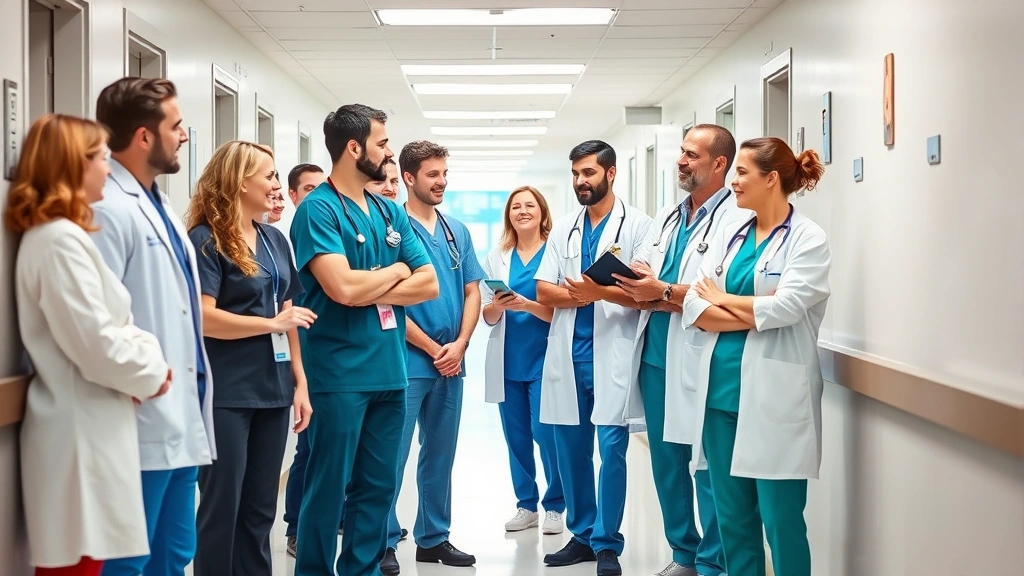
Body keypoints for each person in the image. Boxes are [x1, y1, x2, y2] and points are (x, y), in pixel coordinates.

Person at [5, 114, 172, 576]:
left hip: (91, 422)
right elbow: (97, 343)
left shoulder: (65, 236)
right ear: (71, 165)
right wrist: (155, 371)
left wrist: (146, 356)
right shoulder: (58, 241)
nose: (108, 168)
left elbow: (118, 328)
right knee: (77, 566)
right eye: (100, 158)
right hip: (78, 431)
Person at [291, 104, 438, 576]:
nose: (389, 152)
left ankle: (361, 570)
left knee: (377, 486)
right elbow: (343, 290)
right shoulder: (318, 210)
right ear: (354, 148)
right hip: (339, 373)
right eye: (382, 143)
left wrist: (373, 278)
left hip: (389, 371)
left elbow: (429, 282)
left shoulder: (387, 209)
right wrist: (397, 270)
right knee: (329, 486)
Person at [682, 137, 830, 576]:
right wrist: (746, 311)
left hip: (774, 400)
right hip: (720, 399)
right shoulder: (732, 233)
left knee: (781, 523)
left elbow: (788, 308)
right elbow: (695, 305)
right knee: (733, 522)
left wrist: (723, 299)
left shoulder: (807, 238)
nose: (734, 181)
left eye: (742, 172)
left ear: (771, 180)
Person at [90, 78, 216, 576]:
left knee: (173, 557)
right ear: (144, 137)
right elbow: (96, 322)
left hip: (180, 419)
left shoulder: (158, 203)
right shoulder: (107, 208)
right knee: (128, 563)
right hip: (136, 423)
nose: (184, 135)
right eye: (176, 126)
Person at [616, 125, 749, 576]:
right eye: (681, 152)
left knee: (706, 461)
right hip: (656, 351)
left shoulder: (737, 219)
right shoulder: (671, 215)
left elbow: (723, 290)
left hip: (699, 352)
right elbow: (652, 264)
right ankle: (684, 553)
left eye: (691, 155)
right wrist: (641, 276)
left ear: (719, 165)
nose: (681, 160)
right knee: (666, 461)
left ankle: (714, 558)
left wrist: (664, 289)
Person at [185, 141, 313, 576]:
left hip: (274, 390)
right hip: (227, 393)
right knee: (223, 506)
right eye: (271, 175)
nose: (277, 184)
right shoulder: (205, 240)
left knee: (260, 511)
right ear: (242, 183)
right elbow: (204, 318)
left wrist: (300, 383)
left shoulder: (274, 239)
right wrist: (269, 326)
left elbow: (288, 311)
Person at [535, 140, 653, 576]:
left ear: (611, 173)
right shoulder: (564, 226)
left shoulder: (639, 226)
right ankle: (582, 535)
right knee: (571, 452)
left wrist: (590, 292)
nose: (580, 182)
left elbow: (642, 291)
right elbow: (542, 290)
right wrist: (596, 292)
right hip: (569, 356)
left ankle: (607, 543)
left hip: (613, 355)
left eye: (588, 173)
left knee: (612, 451)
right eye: (575, 174)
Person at [380, 140, 485, 575]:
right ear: (408, 178)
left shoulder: (455, 230)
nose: (442, 181)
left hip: (451, 361)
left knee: (440, 454)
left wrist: (459, 345)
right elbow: (383, 298)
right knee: (391, 456)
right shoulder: (391, 228)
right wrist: (431, 347)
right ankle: (383, 541)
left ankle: (433, 538)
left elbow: (472, 290)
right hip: (407, 359)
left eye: (445, 173)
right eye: (432, 175)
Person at [479, 186, 565, 535]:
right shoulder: (497, 256)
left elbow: (561, 310)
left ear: (543, 213)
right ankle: (526, 505)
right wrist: (498, 306)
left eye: (530, 205)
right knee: (516, 438)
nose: (523, 211)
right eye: (516, 206)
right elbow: (486, 315)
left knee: (547, 435)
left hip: (545, 359)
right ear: (509, 215)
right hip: (508, 360)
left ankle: (555, 505)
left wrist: (526, 305)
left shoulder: (556, 252)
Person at [279, 160, 329, 558]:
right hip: (302, 348)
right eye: (308, 189)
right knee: (308, 445)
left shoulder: (328, 232)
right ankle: (296, 526)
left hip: (325, 347)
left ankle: (332, 517)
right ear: (294, 195)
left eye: (321, 187)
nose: (317, 195)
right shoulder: (285, 241)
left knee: (333, 441)